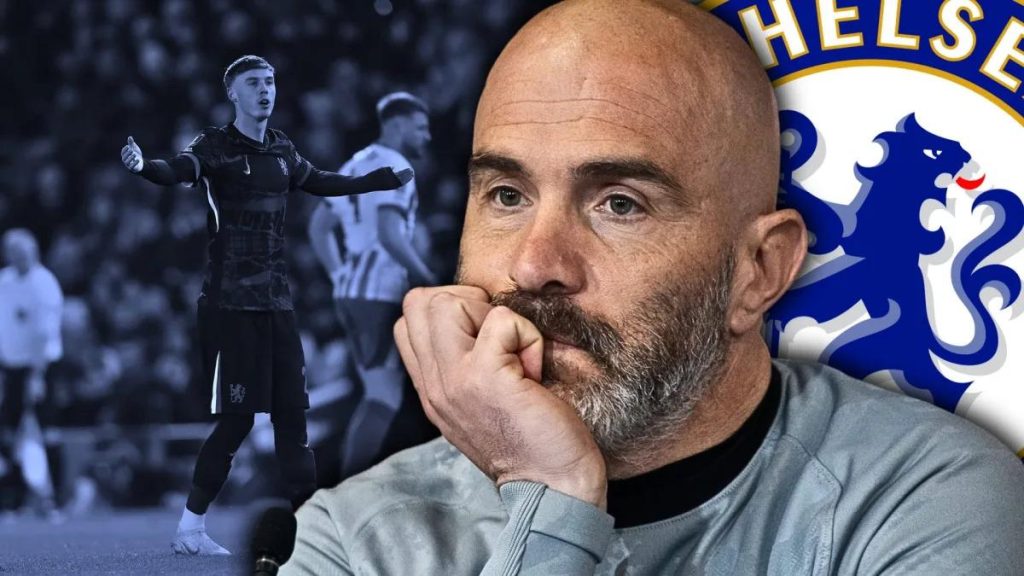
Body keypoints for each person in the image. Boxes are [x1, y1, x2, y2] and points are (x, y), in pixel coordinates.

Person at [283, 1, 1024, 574]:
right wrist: (553, 497)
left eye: (620, 204)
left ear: (759, 271)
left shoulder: (928, 497)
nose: (535, 265)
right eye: (507, 195)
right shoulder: (352, 538)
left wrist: (545, 505)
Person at [118, 55, 414, 556]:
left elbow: (321, 180)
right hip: (230, 306)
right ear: (232, 93)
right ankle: (190, 528)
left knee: (293, 420)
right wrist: (145, 166)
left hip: (278, 304)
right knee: (237, 421)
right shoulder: (215, 146)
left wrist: (378, 180)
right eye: (254, 82)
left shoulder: (281, 148)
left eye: (270, 82)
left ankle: (314, 535)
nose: (265, 90)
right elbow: (177, 170)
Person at [308, 92, 437, 479]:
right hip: (380, 293)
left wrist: (339, 275)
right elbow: (389, 233)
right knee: (388, 395)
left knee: (386, 392)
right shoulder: (396, 166)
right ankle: (348, 486)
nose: (427, 136)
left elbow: (318, 227)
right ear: (397, 125)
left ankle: (358, 480)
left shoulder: (355, 163)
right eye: (419, 128)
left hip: (354, 292)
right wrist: (427, 278)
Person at [0, 229, 63, 522]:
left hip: (41, 367)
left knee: (46, 432)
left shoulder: (44, 284)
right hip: (11, 368)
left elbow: (43, 334)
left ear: (33, 253)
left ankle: (53, 500)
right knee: (10, 434)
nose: (18, 258)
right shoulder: (5, 281)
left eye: (22, 253)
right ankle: (13, 500)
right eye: (12, 253)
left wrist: (36, 376)